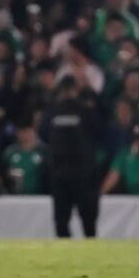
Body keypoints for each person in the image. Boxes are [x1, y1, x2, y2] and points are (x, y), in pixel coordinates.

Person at [45, 77, 100, 238]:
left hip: (61, 172)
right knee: (88, 220)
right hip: (83, 172)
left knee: (61, 220)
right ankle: (90, 253)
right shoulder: (85, 111)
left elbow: (44, 133)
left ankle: (65, 252)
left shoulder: (53, 112)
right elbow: (98, 131)